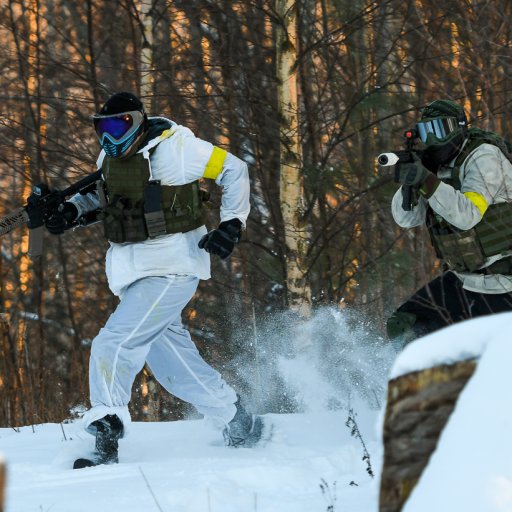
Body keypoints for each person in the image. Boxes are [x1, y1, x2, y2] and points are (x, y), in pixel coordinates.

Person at [44, 92, 261, 467]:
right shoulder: (107, 160)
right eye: (102, 129)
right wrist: (69, 211)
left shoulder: (179, 149)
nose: (110, 138)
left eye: (118, 127)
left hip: (172, 268)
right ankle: (236, 418)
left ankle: (106, 427)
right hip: (133, 275)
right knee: (174, 368)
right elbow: (103, 200)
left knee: (113, 343)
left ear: (138, 121)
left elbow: (235, 169)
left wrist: (233, 223)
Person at [387, 99, 512, 346]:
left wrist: (426, 180)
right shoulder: (438, 166)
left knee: (475, 355)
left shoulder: (484, 157)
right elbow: (406, 218)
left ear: (460, 128)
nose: (433, 139)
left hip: (503, 284)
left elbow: (467, 215)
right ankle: (403, 379)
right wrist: (411, 180)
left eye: (441, 129)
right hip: (464, 279)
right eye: (426, 132)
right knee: (403, 324)